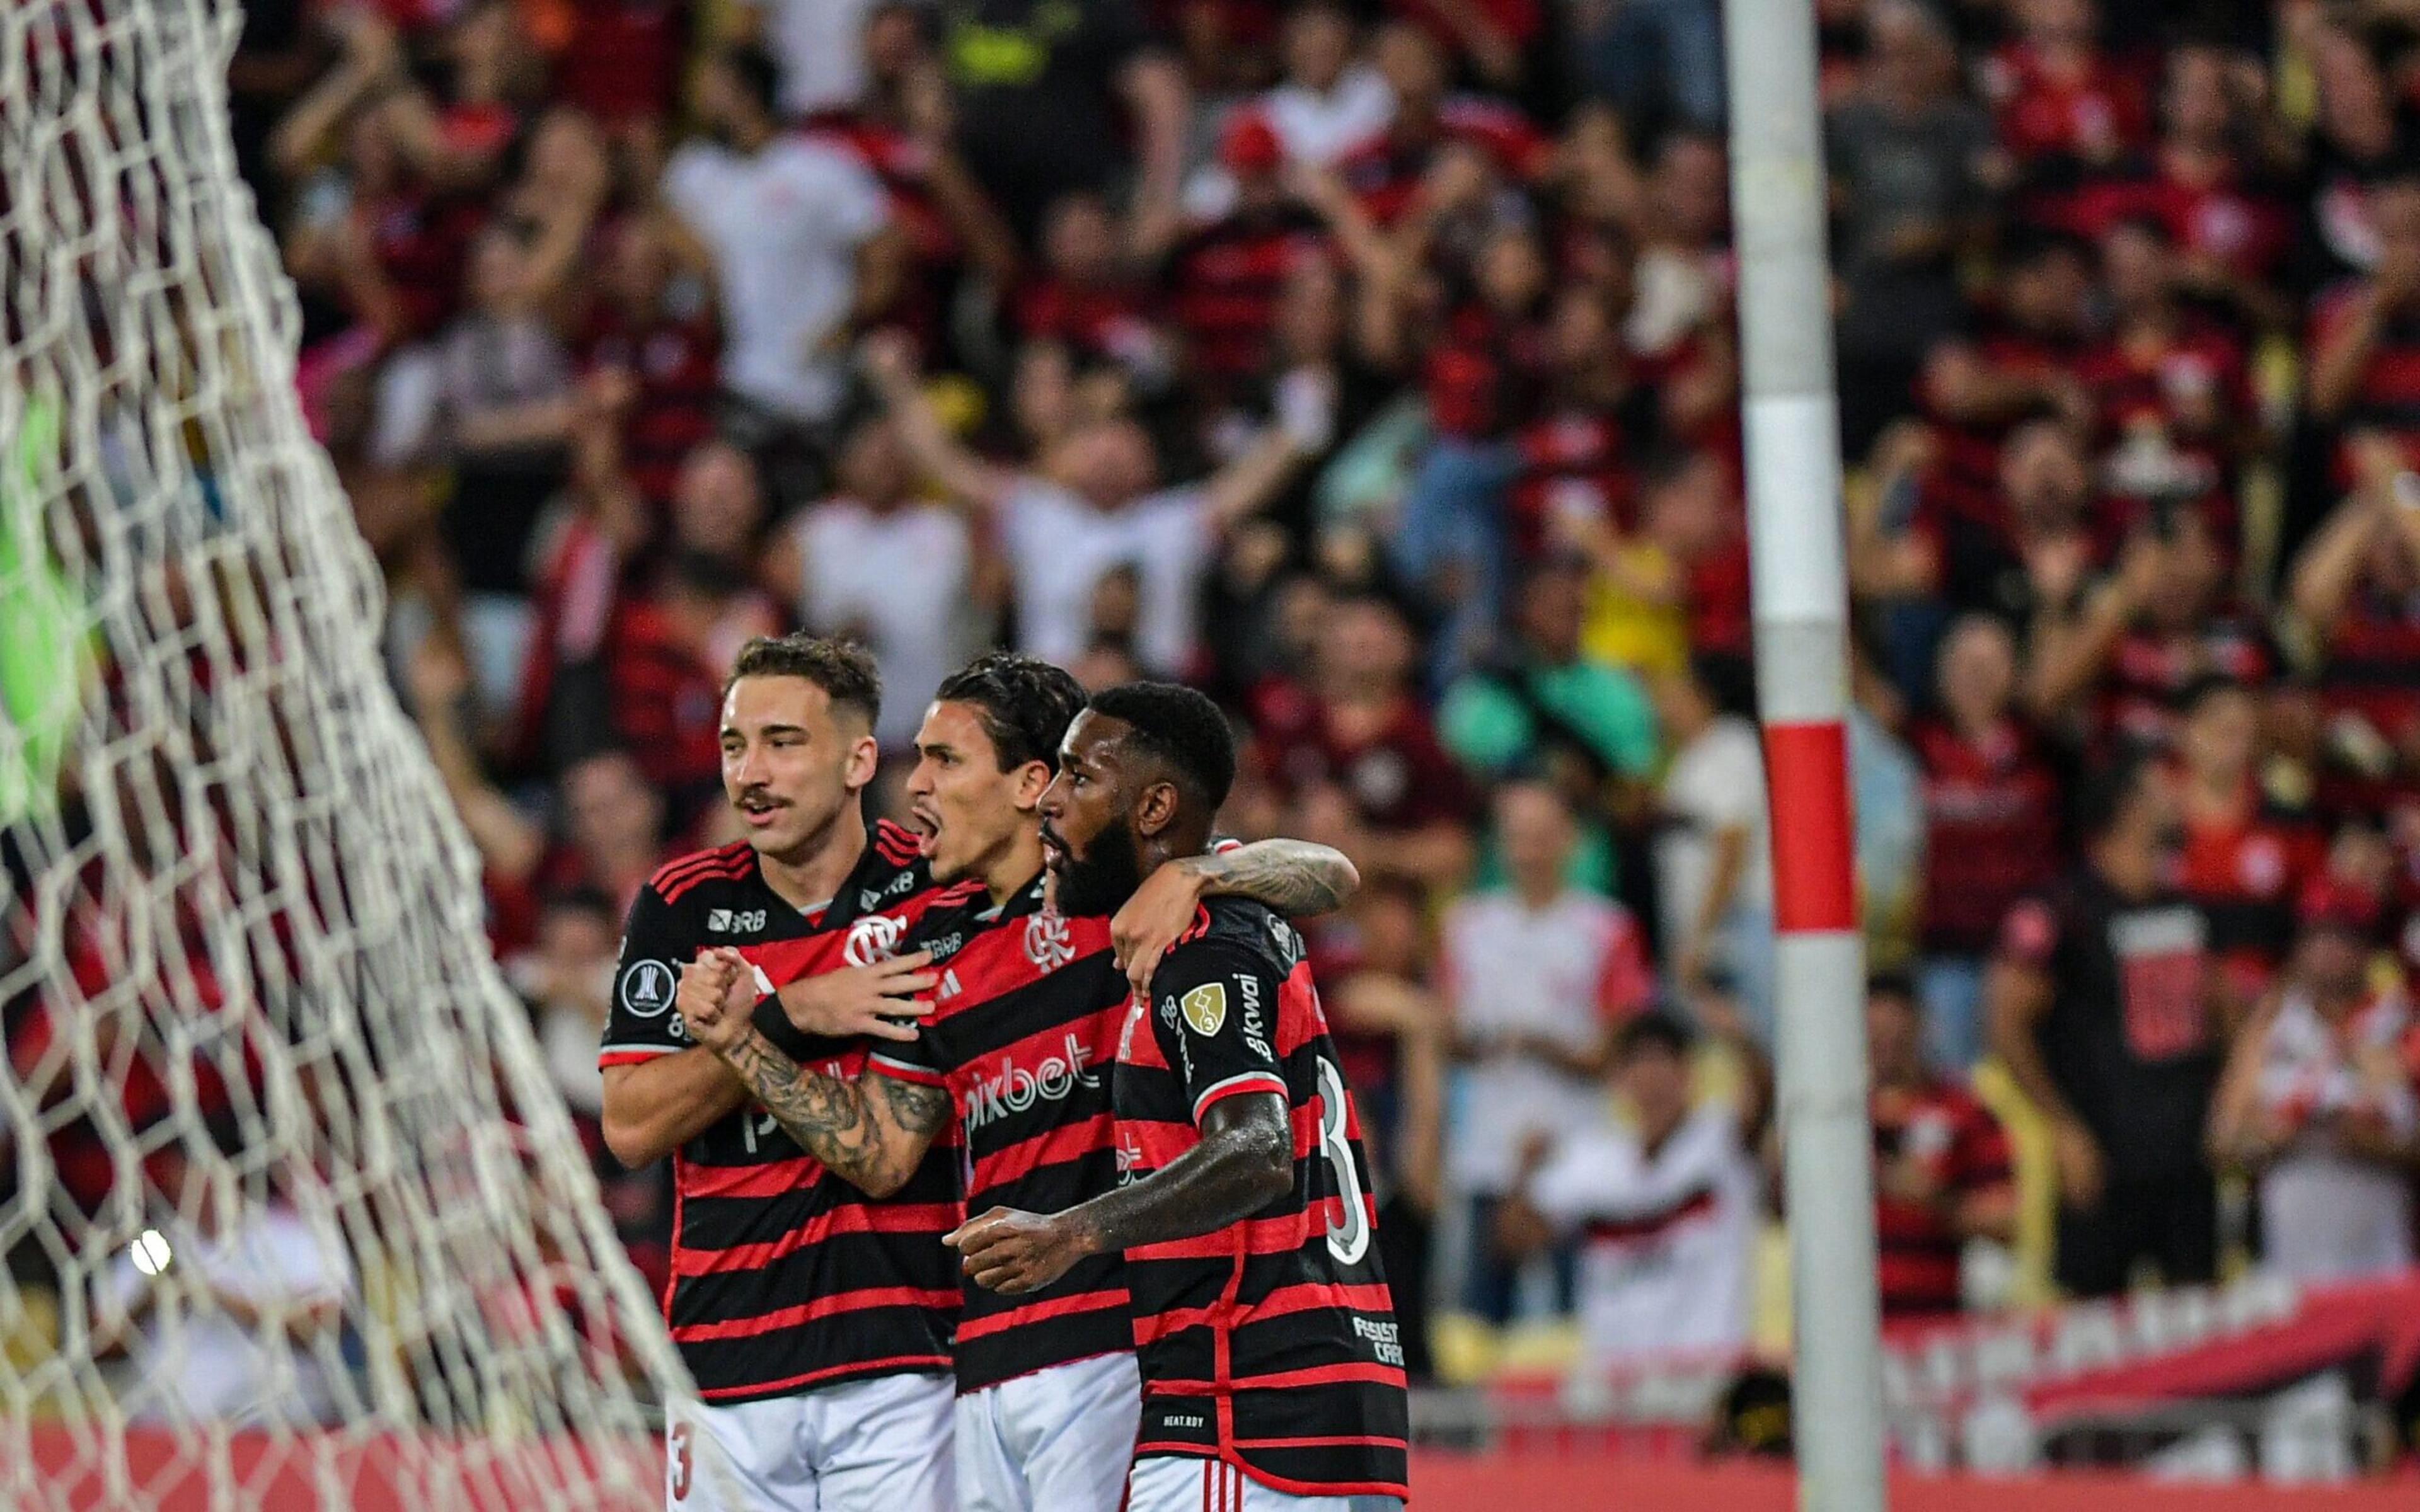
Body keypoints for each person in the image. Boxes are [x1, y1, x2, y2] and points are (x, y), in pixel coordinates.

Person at [677, 653, 1361, 1512]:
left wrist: (1201, 872)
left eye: (944, 760)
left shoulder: (1119, 897)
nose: (913, 786)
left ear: (1030, 784)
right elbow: (881, 1154)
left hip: (1119, 1346)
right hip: (987, 1362)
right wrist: (745, 1045)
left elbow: (1330, 874)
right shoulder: (932, 950)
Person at [947, 682, 1410, 1509]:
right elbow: (1328, 871)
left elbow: (1257, 1151)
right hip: (1317, 1397)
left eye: (1079, 777)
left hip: (1247, 1411)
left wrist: (1070, 1232)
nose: (1050, 801)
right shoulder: (1241, 909)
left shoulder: (1201, 951)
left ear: (1155, 806)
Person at [598, 634, 965, 1512]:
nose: (750, 773)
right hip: (725, 1357)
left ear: (858, 760)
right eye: (734, 746)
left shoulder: (937, 889)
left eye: (782, 743)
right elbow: (632, 1125)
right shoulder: (684, 904)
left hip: (903, 1356)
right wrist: (793, 1014)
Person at [1987, 753, 2235, 1298]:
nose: (2177, 793)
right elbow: (2006, 1023)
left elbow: (2226, 1011)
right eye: (2159, 787)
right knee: (2096, 1321)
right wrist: (2064, 1129)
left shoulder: (2186, 906)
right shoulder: (2061, 910)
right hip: (2103, 1154)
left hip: (2187, 1153)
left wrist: (2229, 1099)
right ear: (2128, 808)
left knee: (2199, 1319)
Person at [1439, 779, 1653, 1327]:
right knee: (1482, 1323)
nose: (1530, 850)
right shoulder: (1466, 927)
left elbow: (1617, 1050)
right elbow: (1449, 1034)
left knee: (1577, 1316)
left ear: (1570, 840)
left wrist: (1531, 1043)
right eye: (1518, 836)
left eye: (1542, 835)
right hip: (1487, 1151)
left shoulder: (1606, 929)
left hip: (1578, 1149)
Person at [1497, 1006, 1768, 1370]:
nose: (1651, 1078)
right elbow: (1513, 1240)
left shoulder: (1721, 1142)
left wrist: (1739, 1036)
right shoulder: (1594, 1161)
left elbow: (1763, 1095)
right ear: (1619, 1081)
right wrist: (1523, 1173)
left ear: (1688, 1073)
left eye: (1662, 1062)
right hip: (1618, 1392)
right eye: (1637, 1064)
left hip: (1708, 1377)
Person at [2208, 883, 2419, 1282]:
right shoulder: (2271, 1026)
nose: (2332, 952)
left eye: (2346, 938)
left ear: (2369, 950)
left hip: (2382, 1253)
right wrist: (2273, 1137)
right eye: (2319, 937)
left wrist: (2375, 1144)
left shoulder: (2399, 1025)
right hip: (2293, 1255)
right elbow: (2221, 1141)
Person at [1865, 975, 2015, 1321]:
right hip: (1847, 1326)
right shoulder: (1835, 1123)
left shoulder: (1962, 1111)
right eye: (1875, 1037)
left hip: (1934, 1324)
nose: (1886, 1048)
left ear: (1921, 1028)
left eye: (1896, 1037)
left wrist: (1938, 1204)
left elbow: (2009, 1219)